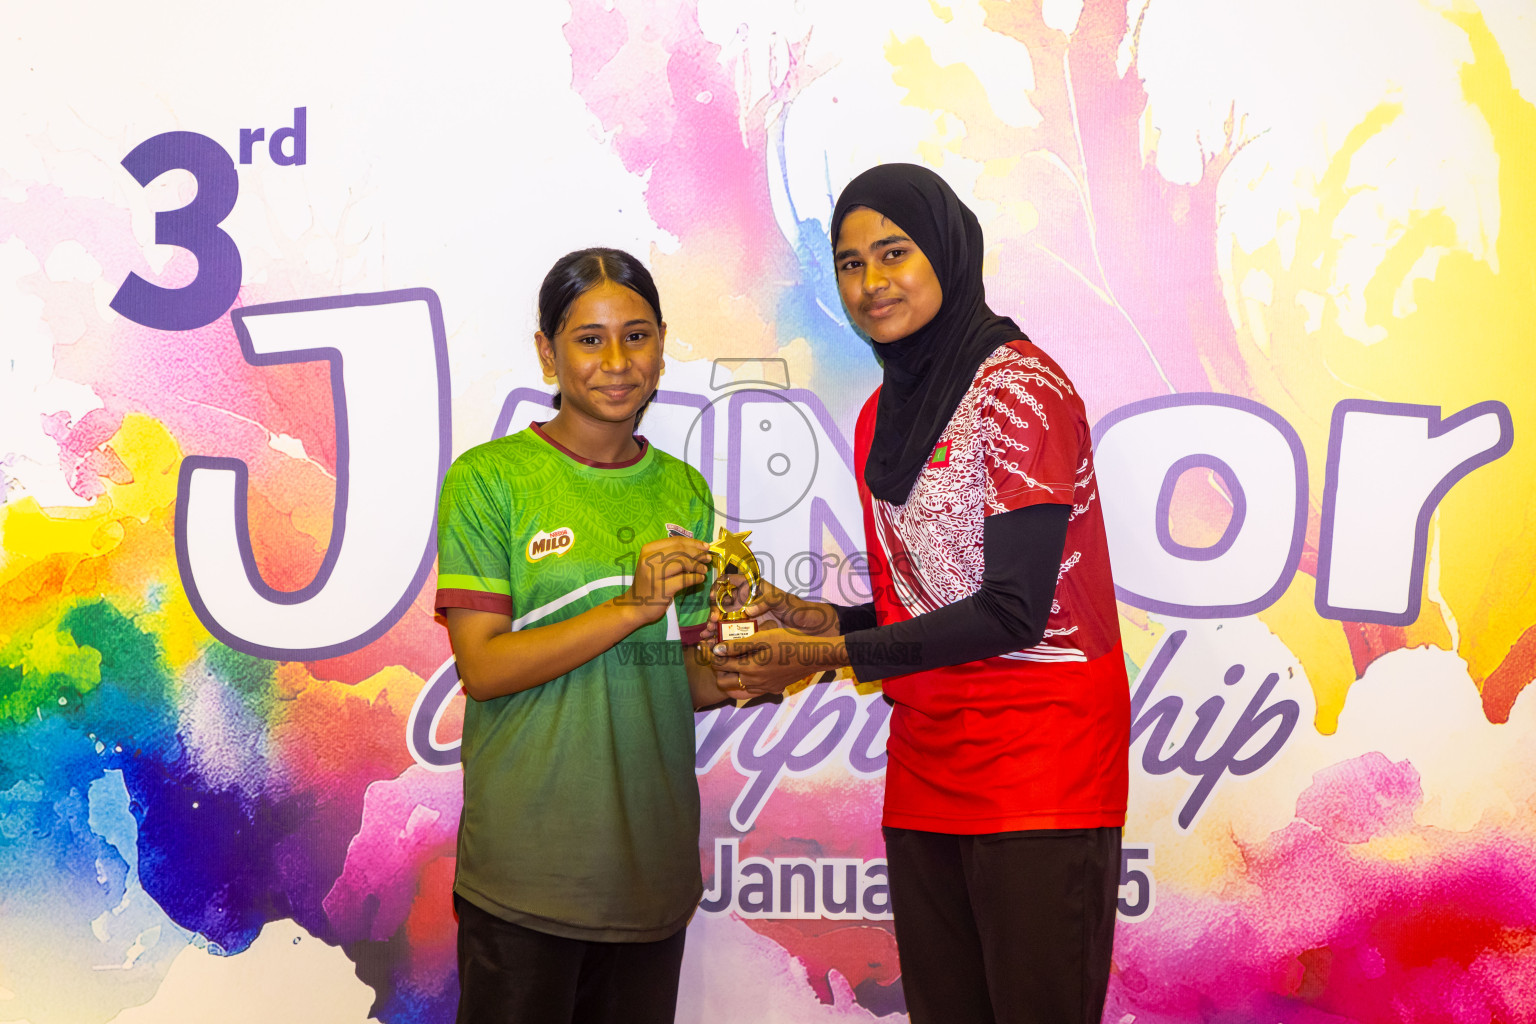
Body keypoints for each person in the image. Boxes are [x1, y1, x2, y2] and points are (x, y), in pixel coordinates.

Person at [710, 164, 1130, 1024]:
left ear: (946, 251)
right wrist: (818, 618)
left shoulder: (1020, 392)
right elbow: (926, 604)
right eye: (850, 263)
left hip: (1040, 771)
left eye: (893, 253)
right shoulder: (881, 414)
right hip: (928, 768)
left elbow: (1012, 610)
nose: (871, 282)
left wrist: (821, 654)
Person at [435, 247, 729, 1024]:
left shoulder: (685, 489)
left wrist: (749, 671)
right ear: (548, 352)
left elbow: (680, 677)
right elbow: (482, 668)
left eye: (636, 336)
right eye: (589, 339)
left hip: (650, 876)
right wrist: (630, 607)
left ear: (661, 346)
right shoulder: (489, 479)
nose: (617, 362)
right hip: (527, 876)